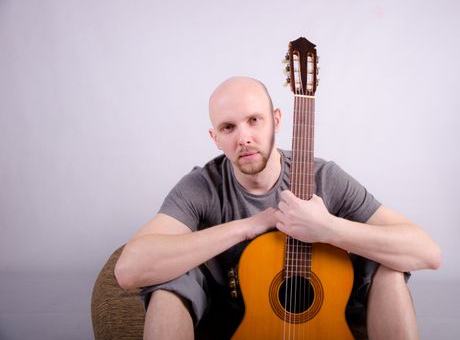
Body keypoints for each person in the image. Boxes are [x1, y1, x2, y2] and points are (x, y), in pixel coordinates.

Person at [115, 76, 442, 340]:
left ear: (276, 121)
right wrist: (250, 225)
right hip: (238, 318)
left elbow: (428, 253)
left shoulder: (323, 177)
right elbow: (129, 270)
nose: (243, 137)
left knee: (389, 266)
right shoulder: (202, 186)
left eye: (254, 120)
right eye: (229, 128)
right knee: (169, 285)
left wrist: (329, 228)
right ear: (215, 138)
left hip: (323, 317)